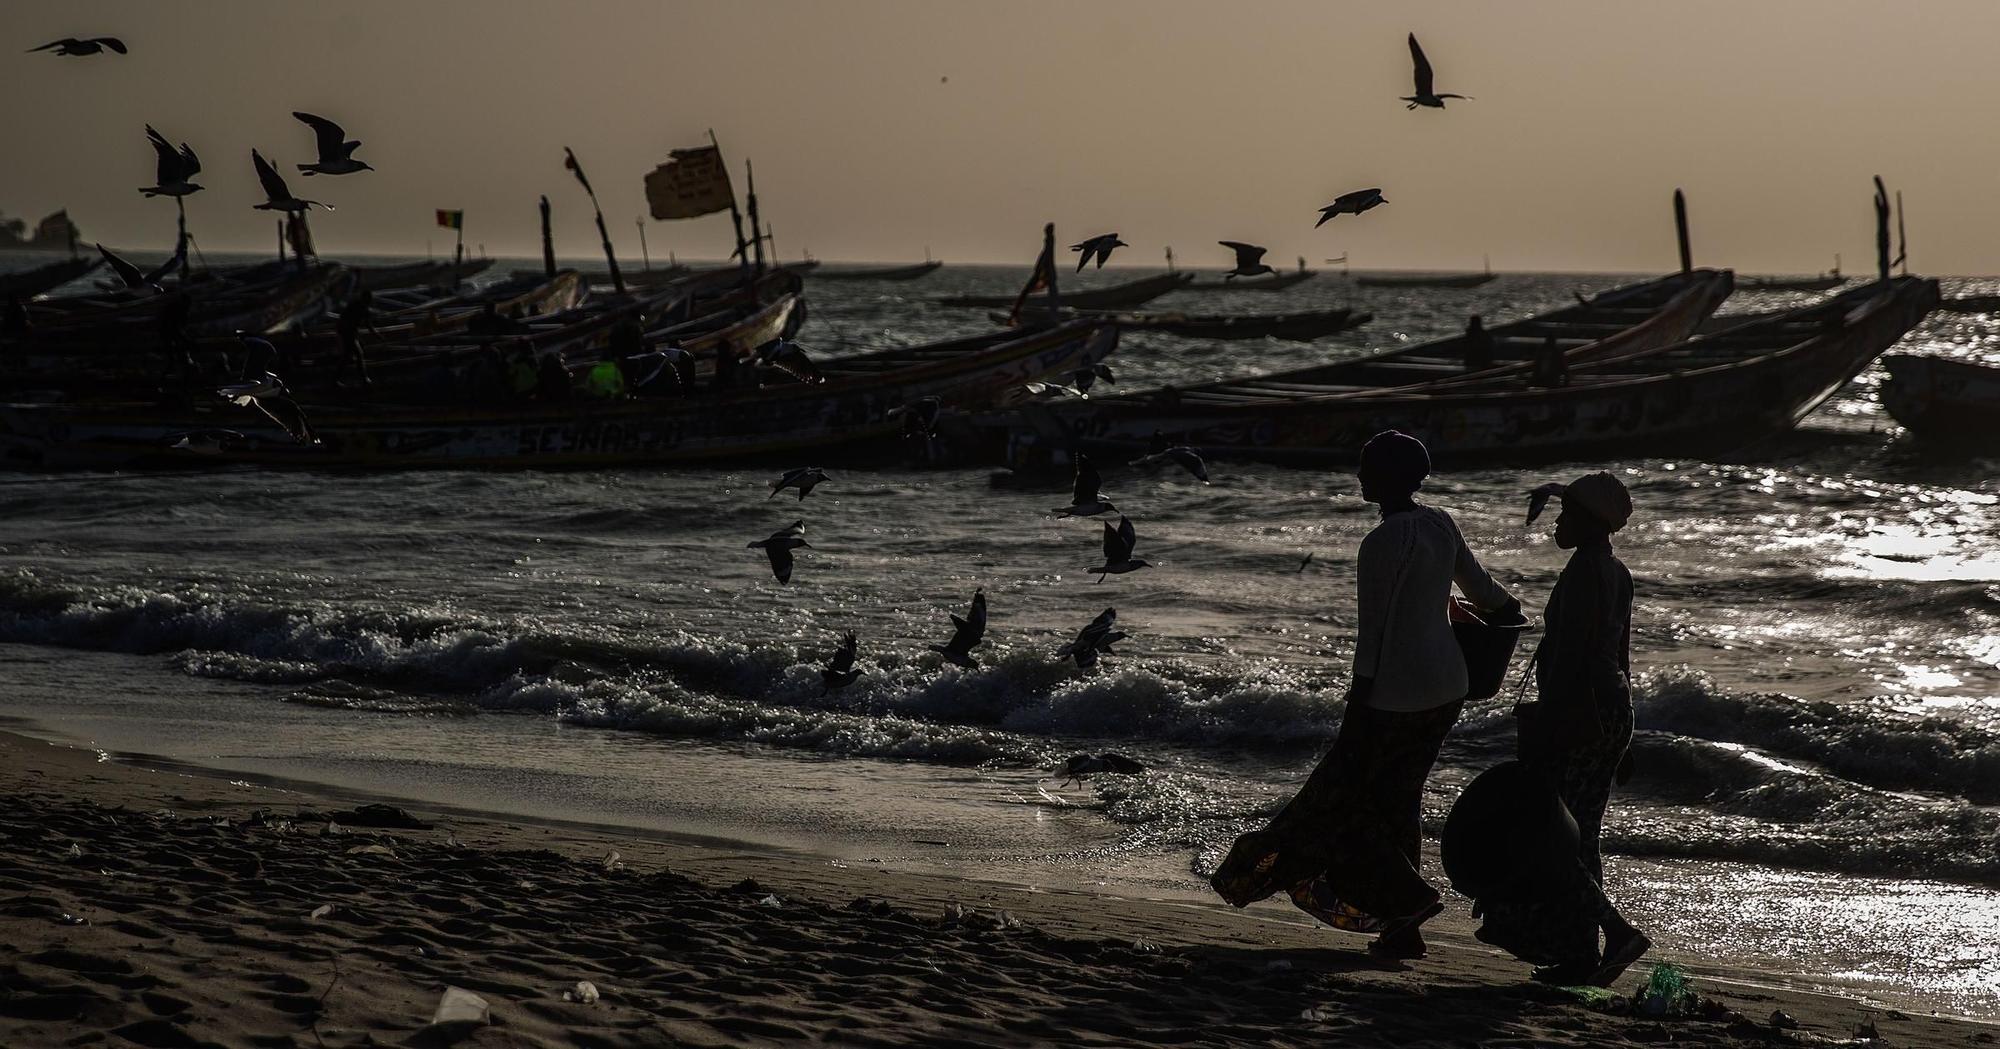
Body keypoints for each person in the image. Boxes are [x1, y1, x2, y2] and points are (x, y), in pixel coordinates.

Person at [1212, 430, 1517, 960]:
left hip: (1392, 696)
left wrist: (1357, 706)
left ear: (1390, 477)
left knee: (1343, 806)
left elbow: (1372, 634)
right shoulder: (1441, 523)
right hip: (1448, 688)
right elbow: (1490, 597)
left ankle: (1409, 903)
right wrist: (1507, 618)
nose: (1359, 477)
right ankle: (1403, 931)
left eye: (1366, 468)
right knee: (1398, 801)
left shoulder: (1379, 544)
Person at [1513, 471, 1650, 983]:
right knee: (1581, 837)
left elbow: (1573, 658)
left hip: (1580, 712)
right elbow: (1621, 656)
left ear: (1591, 522)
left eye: (1567, 515)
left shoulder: (1585, 573)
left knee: (1555, 838)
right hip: (1610, 713)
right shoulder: (1615, 571)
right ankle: (1579, 956)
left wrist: (1549, 727)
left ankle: (1616, 934)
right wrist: (1625, 734)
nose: (1558, 523)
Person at [333, 290, 377, 387]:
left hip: (347, 332)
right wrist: (377, 335)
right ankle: (363, 379)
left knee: (350, 355)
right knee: (356, 354)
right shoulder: (360, 307)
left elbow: (366, 324)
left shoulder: (356, 305)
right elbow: (368, 324)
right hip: (347, 332)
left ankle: (337, 379)